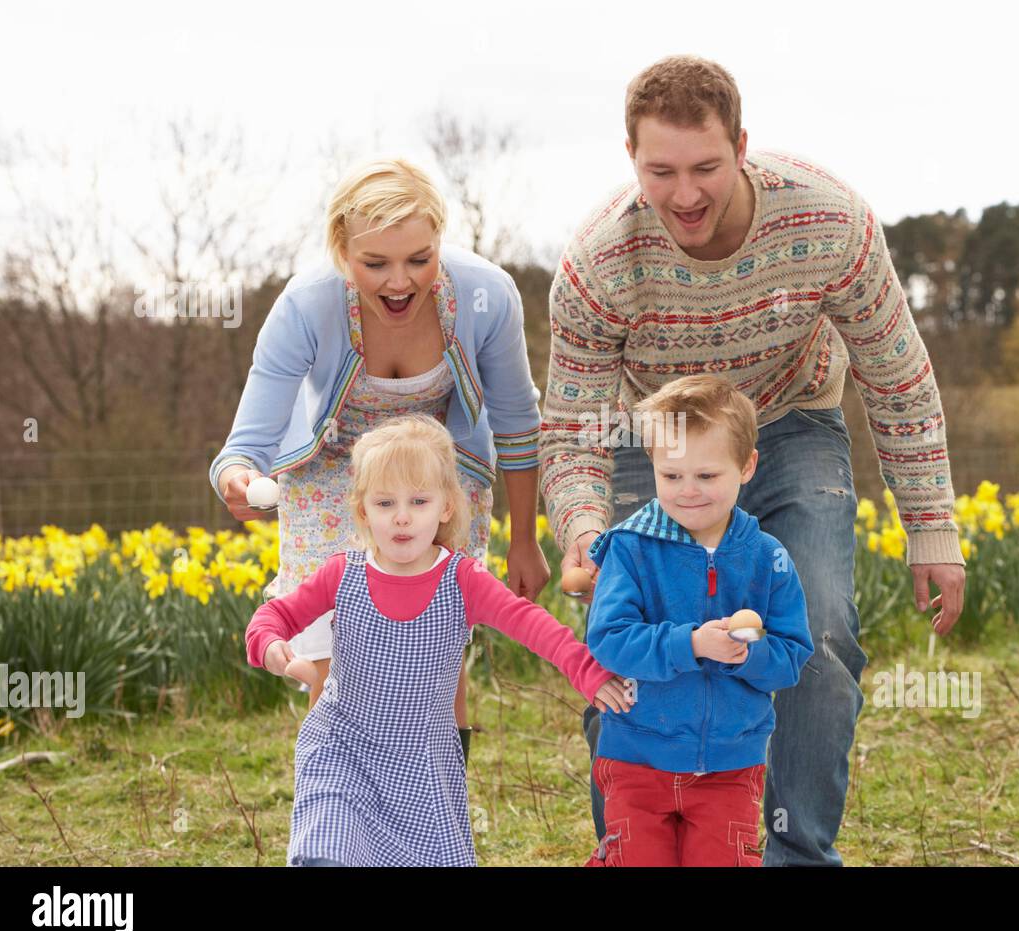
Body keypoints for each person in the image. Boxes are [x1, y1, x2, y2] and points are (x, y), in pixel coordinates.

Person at [540, 56, 967, 866]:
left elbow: (897, 378)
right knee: (622, 639)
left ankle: (794, 852)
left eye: (705, 166)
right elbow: (574, 426)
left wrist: (932, 528)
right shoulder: (599, 265)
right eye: (660, 171)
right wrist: (586, 528)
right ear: (631, 158)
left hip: (790, 421)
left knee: (823, 628)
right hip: (659, 445)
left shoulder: (829, 222)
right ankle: (638, 848)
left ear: (742, 146)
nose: (686, 193)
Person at [210, 157, 551, 760]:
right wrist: (238, 479)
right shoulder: (306, 306)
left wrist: (524, 539)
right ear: (342, 251)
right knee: (330, 654)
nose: (401, 281)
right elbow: (248, 441)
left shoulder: (485, 296)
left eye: (420, 259)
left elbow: (519, 426)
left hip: (433, 478)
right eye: (376, 264)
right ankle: (337, 814)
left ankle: (435, 808)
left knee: (438, 648)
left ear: (440, 242)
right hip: (332, 478)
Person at [245, 415, 633, 866]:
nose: (402, 516)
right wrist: (272, 648)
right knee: (326, 852)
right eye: (385, 502)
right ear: (363, 511)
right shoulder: (342, 574)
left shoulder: (462, 580)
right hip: (342, 748)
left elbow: (535, 627)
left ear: (446, 506)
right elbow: (273, 615)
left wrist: (588, 672)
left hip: (423, 766)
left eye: (419, 500)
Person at [580, 375, 813, 866]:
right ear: (654, 468)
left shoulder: (767, 558)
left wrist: (747, 654)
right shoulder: (630, 549)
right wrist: (692, 645)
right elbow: (608, 640)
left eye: (707, 476)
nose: (688, 492)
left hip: (731, 765)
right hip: (635, 759)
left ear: (746, 466)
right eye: (672, 476)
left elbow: (792, 656)